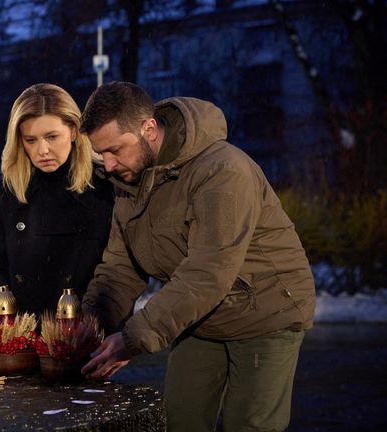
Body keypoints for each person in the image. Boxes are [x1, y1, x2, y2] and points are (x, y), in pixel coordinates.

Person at [78, 82, 316, 431]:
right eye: (102, 154)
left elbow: (207, 272)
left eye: (115, 150)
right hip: (201, 315)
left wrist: (131, 339)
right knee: (179, 419)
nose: (109, 166)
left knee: (248, 424)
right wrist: (88, 326)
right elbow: (120, 267)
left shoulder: (221, 171)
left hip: (266, 312)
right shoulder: (130, 182)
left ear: (148, 128)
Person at [0, 83, 114, 342]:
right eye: (31, 140)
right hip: (19, 338)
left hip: (82, 336)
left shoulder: (102, 185)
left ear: (73, 130)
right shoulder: (10, 185)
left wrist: (100, 323)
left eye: (51, 137)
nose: (42, 150)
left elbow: (115, 268)